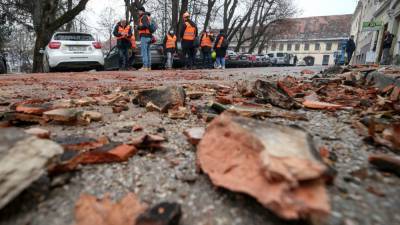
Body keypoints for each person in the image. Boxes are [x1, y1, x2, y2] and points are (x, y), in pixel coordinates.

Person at [137, 6, 152, 71]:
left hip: (144, 36)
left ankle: (145, 66)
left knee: (144, 52)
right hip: (149, 36)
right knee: (148, 52)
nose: (138, 12)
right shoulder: (147, 17)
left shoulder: (144, 17)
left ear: (142, 11)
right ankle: (148, 67)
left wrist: (138, 27)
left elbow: (145, 26)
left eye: (139, 11)